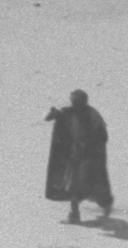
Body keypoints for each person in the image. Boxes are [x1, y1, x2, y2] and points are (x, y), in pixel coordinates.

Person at [43, 89, 113, 224]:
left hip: (90, 158)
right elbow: (51, 117)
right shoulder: (69, 112)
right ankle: (75, 215)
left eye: (76, 100)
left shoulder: (92, 115)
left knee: (93, 185)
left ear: (83, 101)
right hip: (75, 156)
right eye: (72, 100)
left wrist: (90, 145)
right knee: (73, 186)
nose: (73, 103)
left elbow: (102, 136)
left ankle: (105, 204)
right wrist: (54, 114)